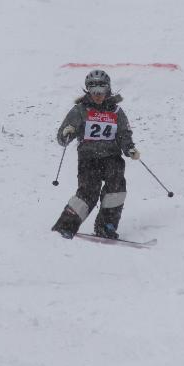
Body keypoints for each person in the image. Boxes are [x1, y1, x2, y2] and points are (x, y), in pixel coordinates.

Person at [51, 70, 140, 240]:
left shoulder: (116, 111)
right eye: (93, 91)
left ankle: (106, 226)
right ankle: (66, 226)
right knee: (88, 192)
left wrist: (129, 148)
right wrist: (67, 132)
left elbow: (123, 134)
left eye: (101, 91)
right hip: (89, 158)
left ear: (108, 90)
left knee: (116, 189)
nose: (98, 95)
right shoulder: (80, 110)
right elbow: (62, 139)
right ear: (88, 90)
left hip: (112, 157)